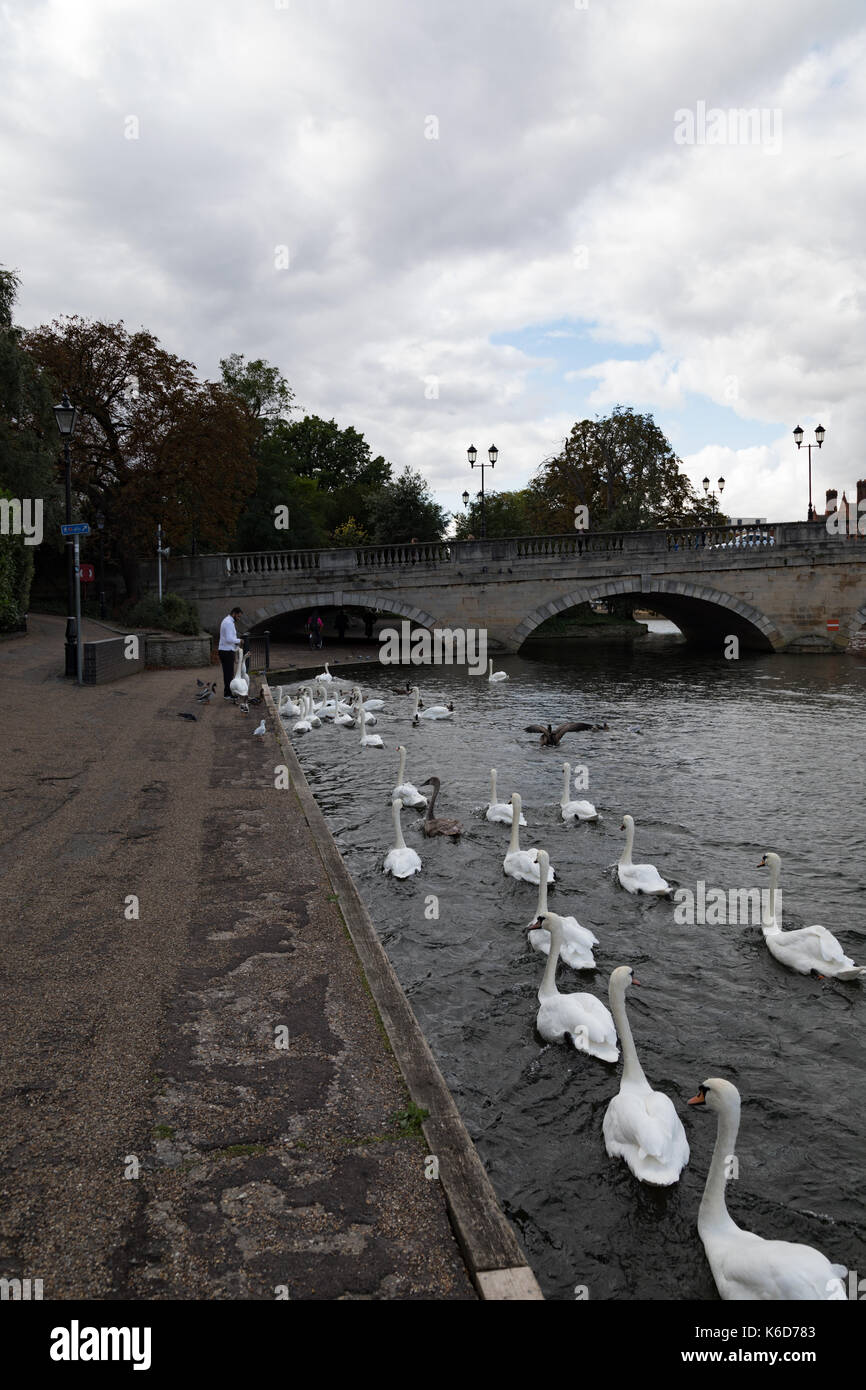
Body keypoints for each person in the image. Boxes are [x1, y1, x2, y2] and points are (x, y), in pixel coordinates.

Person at [218, 606, 243, 698]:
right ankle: (228, 694)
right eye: (238, 616)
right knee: (228, 673)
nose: (239, 619)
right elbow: (229, 639)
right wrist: (239, 641)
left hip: (226, 650)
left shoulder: (228, 621)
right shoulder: (228, 623)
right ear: (234, 614)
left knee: (228, 673)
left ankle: (228, 692)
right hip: (226, 651)